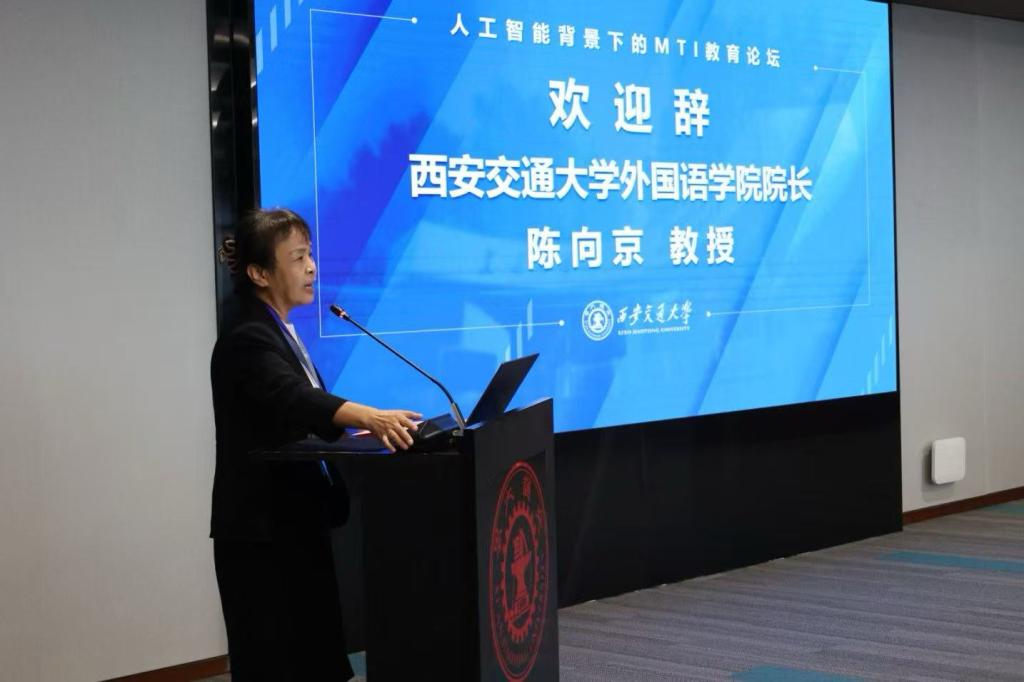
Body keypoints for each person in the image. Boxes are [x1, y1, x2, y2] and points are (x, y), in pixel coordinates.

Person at [209, 208, 420, 680]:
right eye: (298, 257)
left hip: (295, 522)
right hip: (261, 534)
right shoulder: (247, 335)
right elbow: (293, 397)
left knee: (314, 657)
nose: (311, 267)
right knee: (276, 662)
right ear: (260, 273)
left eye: (310, 255)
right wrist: (369, 415)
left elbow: (289, 415)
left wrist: (353, 432)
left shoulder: (275, 328)